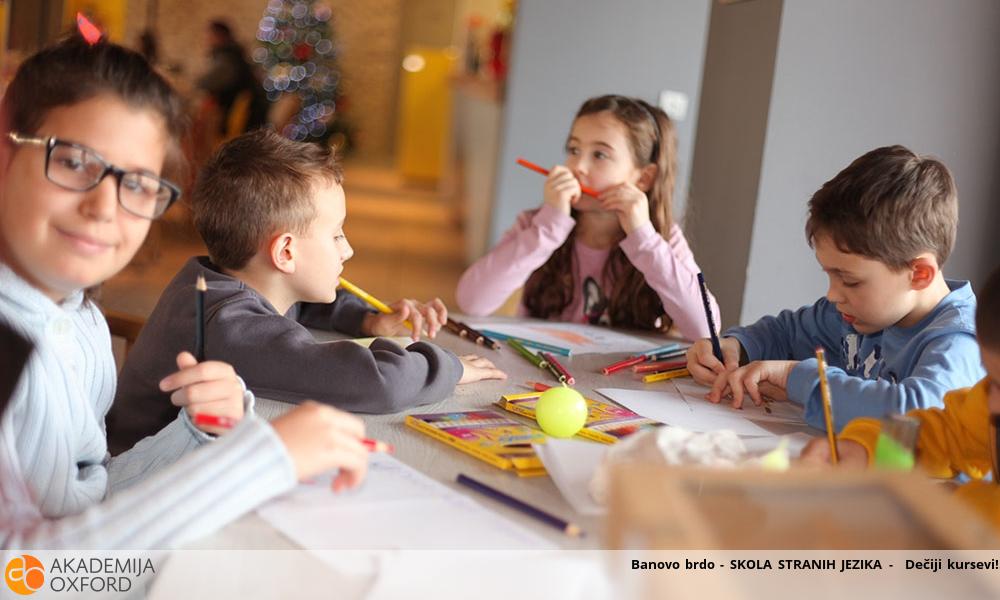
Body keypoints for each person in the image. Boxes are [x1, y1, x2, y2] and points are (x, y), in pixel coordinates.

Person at [0, 32, 367, 549]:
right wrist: (260, 462)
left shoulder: (77, 313)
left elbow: (89, 497)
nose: (105, 208)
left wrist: (193, 434)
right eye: (74, 161)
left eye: (138, 183)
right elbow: (28, 577)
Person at [110, 129, 505, 450]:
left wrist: (369, 319)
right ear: (284, 252)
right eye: (335, 235)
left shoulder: (221, 281)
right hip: (145, 485)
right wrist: (451, 368)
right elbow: (376, 382)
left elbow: (301, 305)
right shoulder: (230, 326)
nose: (347, 248)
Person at [687, 146, 984, 432]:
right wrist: (736, 347)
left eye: (850, 281)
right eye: (829, 275)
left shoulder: (960, 342)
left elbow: (917, 416)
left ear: (919, 274)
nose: (833, 295)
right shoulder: (855, 314)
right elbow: (786, 333)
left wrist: (797, 378)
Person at [455, 94, 719, 340]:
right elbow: (471, 301)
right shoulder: (536, 225)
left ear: (644, 177)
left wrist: (644, 238)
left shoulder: (660, 237)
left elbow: (706, 330)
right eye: (573, 150)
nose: (577, 167)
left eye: (600, 155)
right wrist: (548, 229)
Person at [800, 264, 1000, 531]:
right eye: (993, 381)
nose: (993, 404)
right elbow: (948, 432)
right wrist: (866, 448)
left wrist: (954, 504)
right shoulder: (988, 404)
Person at [196, 19, 267, 135]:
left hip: (243, 122)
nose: (206, 40)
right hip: (251, 118)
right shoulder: (234, 54)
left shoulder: (227, 58)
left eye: (209, 35)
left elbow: (207, 82)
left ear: (220, 36)